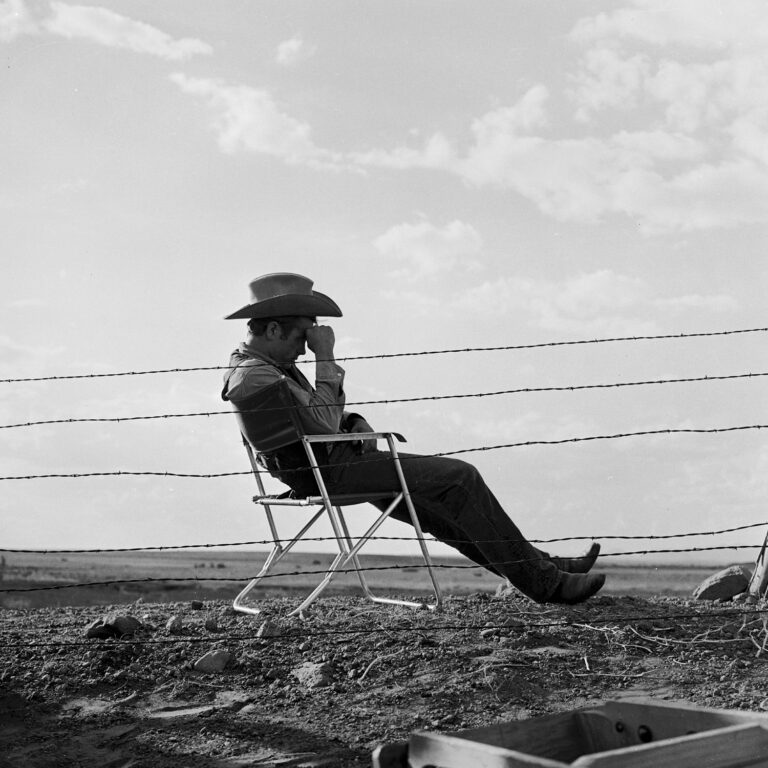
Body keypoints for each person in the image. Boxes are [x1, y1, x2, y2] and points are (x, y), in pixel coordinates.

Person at [222, 273, 606, 605]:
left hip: (331, 464)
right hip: (330, 470)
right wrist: (327, 356)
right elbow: (320, 422)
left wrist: (354, 421)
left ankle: (541, 568)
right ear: (273, 330)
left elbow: (312, 418)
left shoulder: (267, 368)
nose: (305, 347)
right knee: (461, 478)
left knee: (438, 506)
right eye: (301, 337)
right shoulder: (258, 375)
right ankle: (546, 583)